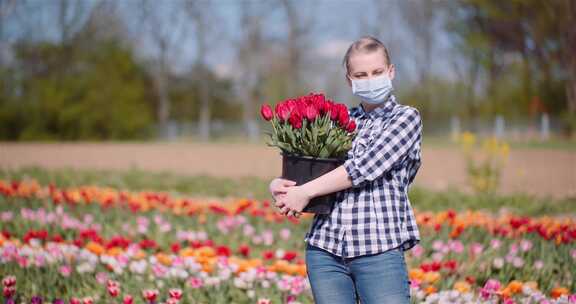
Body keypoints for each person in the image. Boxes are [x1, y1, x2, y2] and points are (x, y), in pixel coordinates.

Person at [269, 36, 422, 304]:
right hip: (325, 249)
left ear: (391, 72)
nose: (370, 79)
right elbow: (312, 168)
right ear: (350, 80)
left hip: (379, 250)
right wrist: (282, 184)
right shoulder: (339, 122)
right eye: (361, 75)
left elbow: (365, 167)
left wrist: (305, 191)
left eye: (377, 72)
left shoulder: (406, 118)